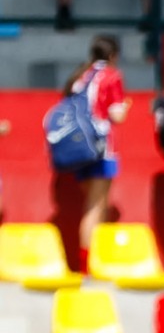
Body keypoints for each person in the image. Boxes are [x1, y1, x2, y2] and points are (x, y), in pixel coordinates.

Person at [59, 35, 129, 270]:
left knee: (93, 204)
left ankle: (94, 260)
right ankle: (89, 265)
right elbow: (117, 115)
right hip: (100, 147)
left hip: (78, 147)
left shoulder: (81, 75)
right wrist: (125, 107)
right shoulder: (111, 75)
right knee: (96, 206)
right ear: (113, 55)